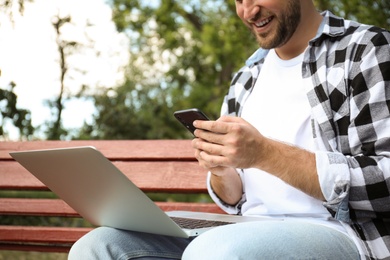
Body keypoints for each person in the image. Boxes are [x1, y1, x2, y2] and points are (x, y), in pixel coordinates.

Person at [69, 0, 390, 259]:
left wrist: (265, 153)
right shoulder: (246, 78)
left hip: (338, 232)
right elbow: (233, 197)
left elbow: (385, 181)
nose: (248, 11)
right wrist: (221, 169)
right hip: (244, 227)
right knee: (99, 246)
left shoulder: (365, 51)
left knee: (213, 251)